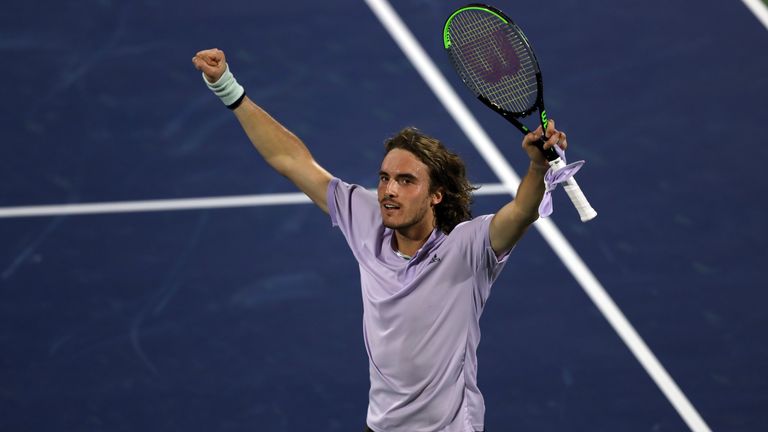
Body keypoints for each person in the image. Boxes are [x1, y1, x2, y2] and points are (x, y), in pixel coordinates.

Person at [192, 48, 568, 432]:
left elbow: (521, 211)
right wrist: (227, 87)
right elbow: (291, 160)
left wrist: (538, 166)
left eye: (406, 181)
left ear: (436, 194)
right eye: (385, 178)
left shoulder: (468, 249)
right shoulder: (367, 218)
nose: (389, 190)